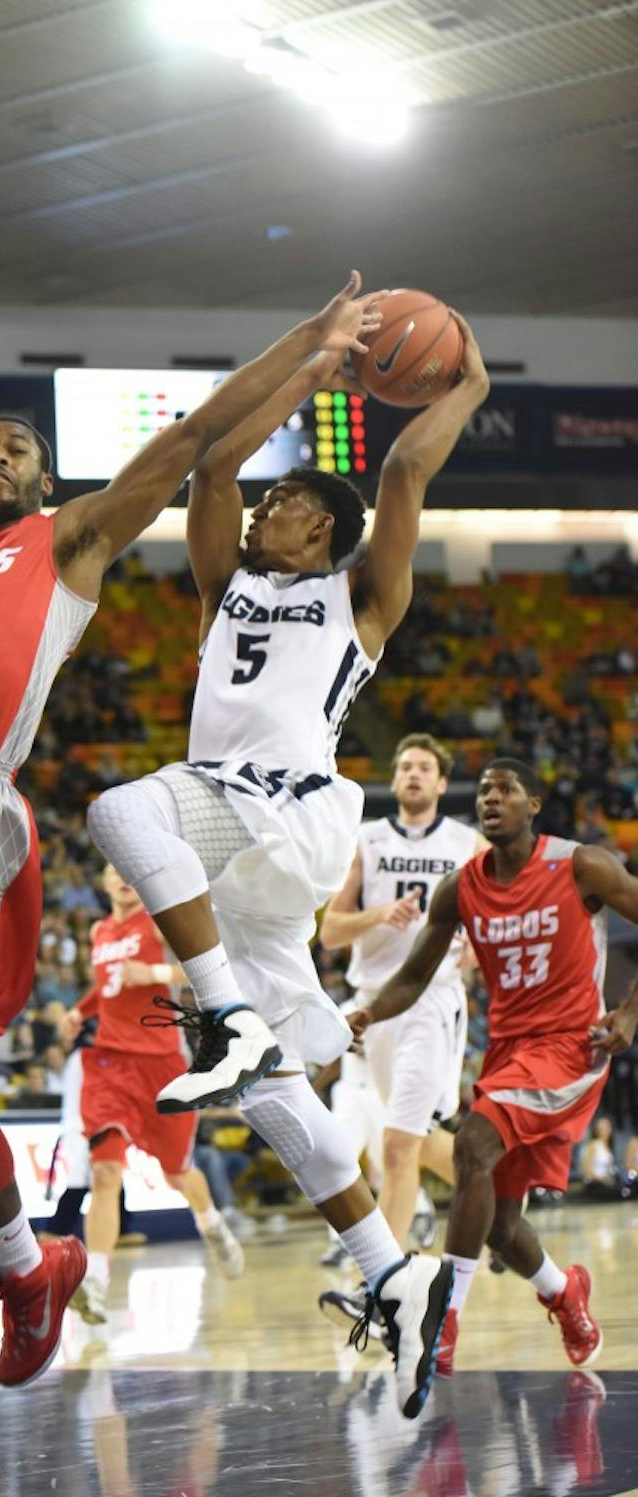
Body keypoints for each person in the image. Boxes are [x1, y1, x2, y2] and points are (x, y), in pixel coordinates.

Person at [0, 271, 384, 1388]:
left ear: (47, 478)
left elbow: (193, 439)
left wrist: (311, 342)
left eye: (11, 450)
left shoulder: (72, 539)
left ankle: (20, 1261)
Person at [86, 315, 490, 1417]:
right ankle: (389, 1277)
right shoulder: (224, 586)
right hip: (237, 865)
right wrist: (309, 368)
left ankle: (221, 1018)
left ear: (329, 536)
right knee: (271, 1098)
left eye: (294, 506)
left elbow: (404, 464)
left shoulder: (361, 600)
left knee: (123, 809)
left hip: (296, 812)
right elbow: (213, 465)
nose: (270, 509)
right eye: (271, 504)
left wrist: (467, 384)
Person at [350, 757, 638, 1376]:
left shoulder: (580, 864)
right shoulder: (461, 888)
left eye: (505, 790)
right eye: (483, 792)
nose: (491, 799)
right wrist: (368, 1016)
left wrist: (631, 1013)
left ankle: (442, 1317)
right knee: (502, 1224)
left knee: (472, 1146)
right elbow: (413, 976)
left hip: (568, 1048)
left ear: (534, 804)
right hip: (508, 1053)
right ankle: (565, 1293)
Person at [319, 735, 484, 1252]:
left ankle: (384, 1277)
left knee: (396, 1144)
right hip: (373, 1004)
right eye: (405, 766)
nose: (413, 774)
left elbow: (502, 912)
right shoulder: (367, 841)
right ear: (394, 781)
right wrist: (379, 915)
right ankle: (496, 1198)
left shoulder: (467, 843)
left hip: (432, 1000)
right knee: (409, 1137)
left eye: (424, 767)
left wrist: (480, 947)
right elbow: (330, 932)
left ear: (440, 782)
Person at [61, 866, 244, 1325]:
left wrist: (155, 972)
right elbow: (107, 987)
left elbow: (205, 967)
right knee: (105, 1172)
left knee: (178, 1173)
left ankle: (212, 1223)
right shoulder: (100, 930)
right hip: (109, 1064)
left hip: (161, 1064)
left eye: (129, 873)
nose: (122, 879)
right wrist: (78, 1012)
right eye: (112, 873)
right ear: (102, 882)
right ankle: (96, 1284)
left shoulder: (160, 921)